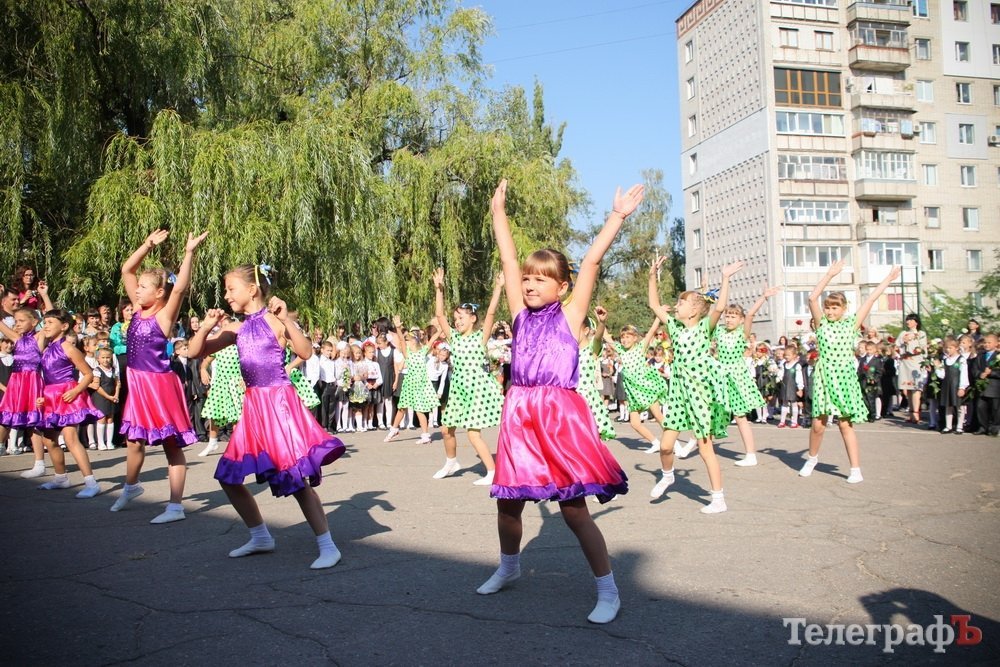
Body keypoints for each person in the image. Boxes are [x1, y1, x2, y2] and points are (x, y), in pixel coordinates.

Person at [479, 178, 635, 624]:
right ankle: (509, 566)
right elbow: (508, 259)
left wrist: (617, 217)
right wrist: (498, 214)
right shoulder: (518, 314)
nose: (529, 284)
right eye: (527, 278)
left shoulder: (570, 314)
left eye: (540, 279)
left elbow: (592, 260)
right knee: (508, 504)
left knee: (573, 509)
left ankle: (608, 590)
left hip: (558, 416)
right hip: (519, 413)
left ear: (562, 287)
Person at [187, 264, 346, 569]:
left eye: (231, 289)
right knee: (228, 476)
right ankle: (260, 536)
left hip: (279, 404)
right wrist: (205, 327)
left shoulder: (275, 320)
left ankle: (328, 546)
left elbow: (305, 352)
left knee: (295, 478)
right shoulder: (235, 328)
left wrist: (287, 319)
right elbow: (195, 352)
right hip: (253, 408)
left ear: (252, 290)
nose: (226, 295)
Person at [112, 229, 207, 523]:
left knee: (171, 444)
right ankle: (131, 486)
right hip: (137, 383)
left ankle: (176, 506)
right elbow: (127, 270)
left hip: (158, 385)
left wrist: (188, 253)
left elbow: (180, 288)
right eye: (138, 287)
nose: (137, 290)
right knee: (133, 439)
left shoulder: (163, 316)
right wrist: (146, 245)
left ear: (159, 293)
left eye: (143, 287)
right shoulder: (137, 310)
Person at [648, 256, 740, 512]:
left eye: (682, 302)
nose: (677, 305)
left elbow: (719, 307)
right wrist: (652, 276)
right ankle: (668, 476)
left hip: (700, 393)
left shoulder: (704, 327)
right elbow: (654, 304)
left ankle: (718, 498)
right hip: (678, 392)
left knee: (705, 447)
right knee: (666, 446)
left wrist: (725, 278)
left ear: (695, 310)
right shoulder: (674, 328)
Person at [799, 260, 901, 483]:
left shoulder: (851, 324)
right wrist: (829, 275)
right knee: (818, 424)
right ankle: (812, 458)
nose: (830, 311)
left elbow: (871, 299)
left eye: (835, 307)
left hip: (844, 377)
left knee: (845, 424)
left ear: (844, 309)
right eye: (828, 307)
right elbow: (812, 298)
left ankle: (855, 469)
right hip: (824, 376)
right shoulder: (822, 324)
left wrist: (888, 279)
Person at [431, 268, 505, 485]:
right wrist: (439, 289)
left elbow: (490, 314)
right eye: (456, 318)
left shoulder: (480, 336)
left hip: (477, 389)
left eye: (461, 317)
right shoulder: (454, 337)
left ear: (472, 319)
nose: (457, 321)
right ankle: (451, 462)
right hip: (458, 389)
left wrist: (498, 288)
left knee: (473, 434)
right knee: (446, 429)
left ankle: (492, 472)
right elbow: (440, 316)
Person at [34, 308, 103, 497]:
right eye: (45, 322)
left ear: (64, 326)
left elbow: (88, 374)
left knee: (70, 438)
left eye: (50, 323)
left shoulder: (68, 348)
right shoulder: (47, 348)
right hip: (50, 396)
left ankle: (91, 483)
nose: (46, 326)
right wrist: (43, 396)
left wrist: (75, 391)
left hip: (67, 395)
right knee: (49, 439)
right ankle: (60, 478)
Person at [713, 285, 782, 465]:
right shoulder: (719, 331)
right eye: (728, 316)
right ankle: (697, 444)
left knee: (740, 416)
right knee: (713, 411)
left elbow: (750, 314)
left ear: (741, 319)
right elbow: (712, 316)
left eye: (733, 316)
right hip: (720, 376)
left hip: (736, 377)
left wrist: (763, 297)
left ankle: (751, 454)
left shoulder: (741, 333)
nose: (729, 319)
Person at [604, 319, 667, 453]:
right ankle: (656, 443)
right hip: (633, 393)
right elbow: (607, 337)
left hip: (646, 389)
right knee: (635, 423)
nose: (625, 340)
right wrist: (601, 322)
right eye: (623, 337)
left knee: (658, 415)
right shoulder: (621, 350)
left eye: (628, 337)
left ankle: (674, 443)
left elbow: (651, 331)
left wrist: (657, 316)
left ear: (635, 338)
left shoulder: (640, 347)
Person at [0, 308, 46, 473]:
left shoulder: (39, 337)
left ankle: (39, 464)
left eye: (21, 321)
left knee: (33, 422)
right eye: (16, 321)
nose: (17, 324)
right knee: (6, 417)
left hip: (32, 382)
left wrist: (44, 296)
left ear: (34, 322)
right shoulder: (17, 339)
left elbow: (51, 316)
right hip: (16, 382)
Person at [385, 315, 440, 444]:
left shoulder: (423, 350)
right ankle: (394, 430)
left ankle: (425, 435)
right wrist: (398, 328)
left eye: (408, 340)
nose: (406, 342)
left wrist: (442, 327)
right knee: (402, 408)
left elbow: (434, 338)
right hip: (409, 383)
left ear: (415, 341)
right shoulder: (407, 353)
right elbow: (401, 340)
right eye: (406, 341)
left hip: (421, 384)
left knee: (419, 409)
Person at [576, 308, 616, 441]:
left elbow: (598, 338)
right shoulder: (570, 351)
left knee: (590, 438)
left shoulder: (591, 350)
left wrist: (602, 323)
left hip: (587, 399)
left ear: (586, 330)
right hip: (572, 398)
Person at [896, 313, 928, 424]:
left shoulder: (921, 333)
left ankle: (916, 413)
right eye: (907, 320)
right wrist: (903, 342)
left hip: (916, 363)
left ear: (916, 322)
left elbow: (922, 348)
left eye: (910, 320)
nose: (908, 322)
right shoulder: (903, 333)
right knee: (907, 389)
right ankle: (910, 413)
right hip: (905, 362)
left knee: (916, 388)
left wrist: (914, 346)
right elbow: (897, 346)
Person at [936, 338, 969, 434]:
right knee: (948, 405)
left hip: (956, 385)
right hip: (947, 385)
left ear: (956, 348)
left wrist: (962, 387)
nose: (948, 350)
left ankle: (959, 426)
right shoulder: (945, 360)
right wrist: (937, 367)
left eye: (950, 348)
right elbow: (942, 375)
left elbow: (964, 374)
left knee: (960, 406)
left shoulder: (961, 359)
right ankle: (948, 426)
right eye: (946, 348)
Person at [90, 347, 120, 450]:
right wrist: (108, 397)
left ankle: (109, 442)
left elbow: (117, 383)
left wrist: (116, 395)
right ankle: (101, 442)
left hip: (112, 396)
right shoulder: (97, 370)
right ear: (98, 358)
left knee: (110, 418)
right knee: (102, 418)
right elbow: (97, 386)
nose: (105, 360)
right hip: (101, 397)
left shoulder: (113, 370)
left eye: (108, 357)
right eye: (103, 357)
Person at [776, 345, 804, 429]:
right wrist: (778, 377)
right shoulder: (784, 364)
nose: (786, 357)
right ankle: (782, 421)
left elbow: (799, 378)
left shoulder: (797, 366)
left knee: (794, 404)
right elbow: (781, 373)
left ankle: (794, 421)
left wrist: (800, 388)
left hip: (793, 387)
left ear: (794, 355)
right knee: (784, 403)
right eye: (785, 355)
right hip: (785, 386)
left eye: (788, 355)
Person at [857, 341, 883, 423]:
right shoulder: (863, 359)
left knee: (871, 399)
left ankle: (872, 415)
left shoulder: (877, 360)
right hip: (863, 381)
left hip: (871, 383)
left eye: (870, 350)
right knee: (864, 398)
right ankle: (867, 414)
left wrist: (874, 379)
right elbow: (859, 370)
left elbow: (879, 372)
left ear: (874, 350)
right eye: (867, 349)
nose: (868, 351)